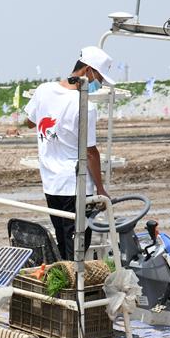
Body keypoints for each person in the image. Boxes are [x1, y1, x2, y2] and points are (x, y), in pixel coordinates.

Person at [24, 46, 116, 260]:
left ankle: (65, 284)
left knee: (62, 239)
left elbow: (30, 121)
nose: (99, 84)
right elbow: (91, 152)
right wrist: (101, 190)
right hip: (75, 187)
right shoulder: (85, 106)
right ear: (87, 71)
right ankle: (76, 288)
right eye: (99, 78)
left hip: (51, 183)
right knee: (77, 249)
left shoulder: (43, 90)